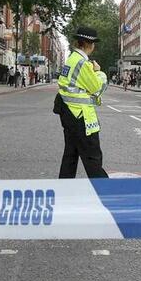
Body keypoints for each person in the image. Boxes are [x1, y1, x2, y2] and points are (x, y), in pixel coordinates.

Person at [54, 26, 109, 179]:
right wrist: (98, 72)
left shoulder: (71, 59)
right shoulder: (83, 64)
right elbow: (97, 88)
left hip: (68, 113)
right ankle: (105, 192)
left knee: (70, 156)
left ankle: (64, 189)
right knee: (93, 157)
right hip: (81, 116)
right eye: (94, 43)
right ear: (89, 44)